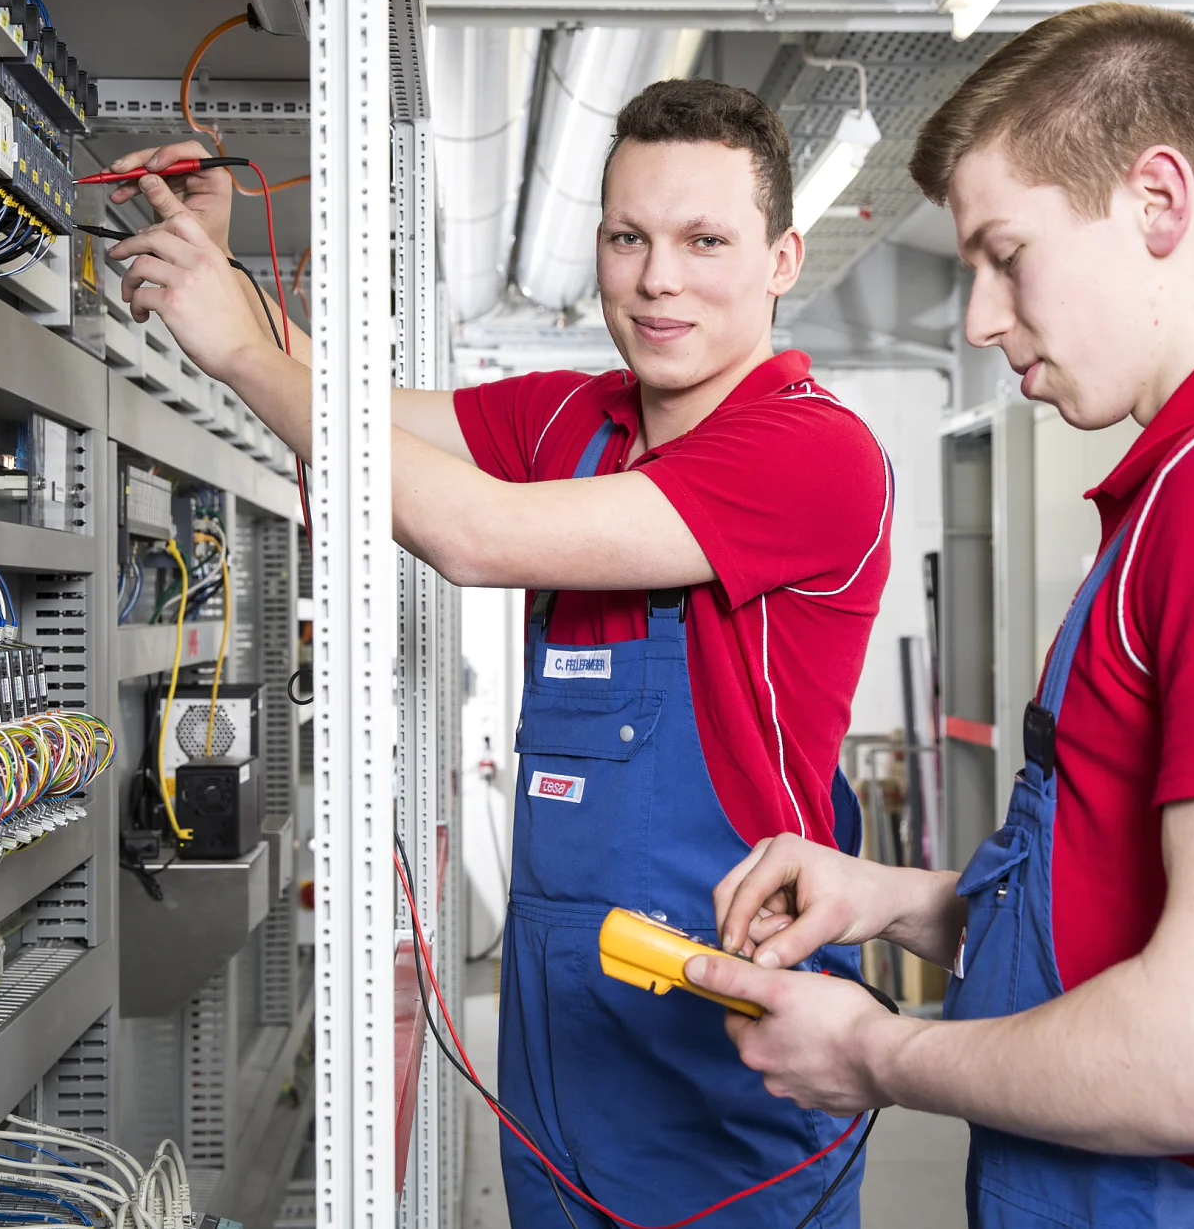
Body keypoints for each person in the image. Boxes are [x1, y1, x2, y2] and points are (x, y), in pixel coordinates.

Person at [688, 1, 1194, 1229]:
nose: (976, 315)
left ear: (1159, 202)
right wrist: (898, 898)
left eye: (1005, 254)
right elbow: (1154, 900)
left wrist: (873, 1054)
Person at [104, 79, 893, 1227]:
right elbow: (361, 406)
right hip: (561, 1066)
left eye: (704, 240)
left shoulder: (812, 452)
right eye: (629, 236)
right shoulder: (577, 419)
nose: (658, 277)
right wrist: (233, 291)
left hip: (730, 1078)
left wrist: (238, 354)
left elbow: (476, 536)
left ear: (781, 259)